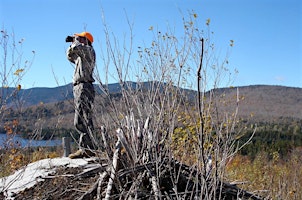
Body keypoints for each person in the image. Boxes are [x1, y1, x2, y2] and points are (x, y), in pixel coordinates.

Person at [66, 31, 98, 158]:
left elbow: (78, 48)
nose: (76, 39)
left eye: (79, 38)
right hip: (79, 87)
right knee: (82, 118)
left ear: (85, 40)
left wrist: (76, 43)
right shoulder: (81, 57)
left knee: (82, 119)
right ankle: (87, 148)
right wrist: (72, 44)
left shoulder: (88, 51)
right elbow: (69, 56)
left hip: (84, 86)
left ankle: (86, 149)